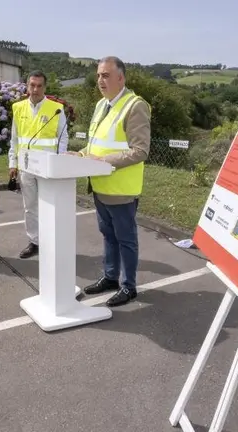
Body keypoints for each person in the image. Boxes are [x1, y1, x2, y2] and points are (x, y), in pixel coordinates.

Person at [73, 56, 151, 307]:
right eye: (98, 75)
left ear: (121, 78)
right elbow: (96, 144)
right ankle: (110, 278)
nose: (100, 80)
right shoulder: (101, 105)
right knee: (108, 235)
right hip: (100, 185)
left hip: (121, 189)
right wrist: (81, 154)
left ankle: (128, 287)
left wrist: (102, 160)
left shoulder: (135, 105)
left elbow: (140, 151)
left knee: (125, 239)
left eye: (105, 75)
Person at [7, 71, 68, 259]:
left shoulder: (56, 108)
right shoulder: (17, 108)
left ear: (45, 87)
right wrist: (13, 163)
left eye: (39, 86)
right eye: (32, 85)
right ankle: (34, 242)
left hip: (48, 167)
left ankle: (52, 241)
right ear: (27, 86)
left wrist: (59, 161)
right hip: (26, 167)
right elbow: (15, 139)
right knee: (30, 206)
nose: (35, 89)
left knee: (50, 206)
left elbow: (62, 138)